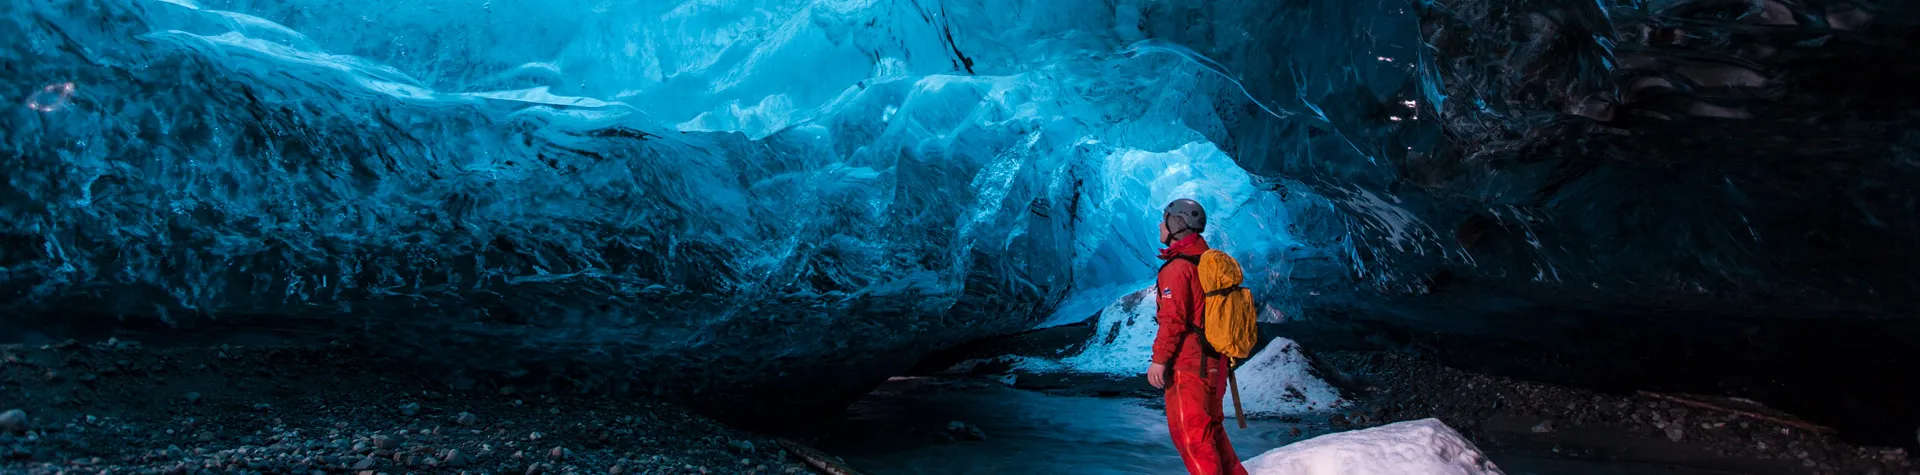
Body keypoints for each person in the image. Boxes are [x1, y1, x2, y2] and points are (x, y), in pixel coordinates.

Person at [1148, 198, 1248, 475]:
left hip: (1189, 366)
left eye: (1165, 218)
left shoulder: (1177, 268)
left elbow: (1172, 320)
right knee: (1212, 431)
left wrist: (1159, 360)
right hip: (1217, 363)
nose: (1160, 224)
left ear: (1176, 224)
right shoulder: (1208, 261)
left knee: (1192, 438)